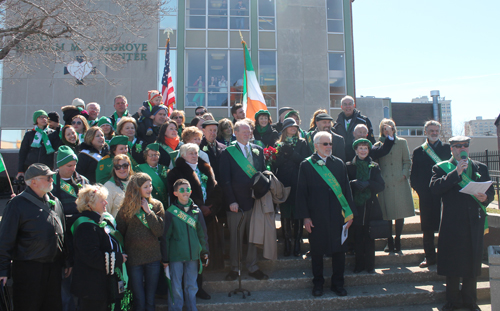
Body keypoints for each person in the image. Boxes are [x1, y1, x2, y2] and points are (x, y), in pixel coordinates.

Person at [430, 136, 494, 311]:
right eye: (458, 146)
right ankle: (453, 301)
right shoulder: (442, 168)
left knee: (472, 262)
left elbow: (491, 191)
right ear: (451, 149)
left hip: (474, 221)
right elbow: (435, 188)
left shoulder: (480, 167)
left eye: (465, 145)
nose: (462, 149)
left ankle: (469, 300)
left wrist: (486, 197)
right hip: (453, 222)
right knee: (453, 263)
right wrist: (455, 173)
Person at [0, 163, 68, 311]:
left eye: (52, 177)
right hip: (29, 270)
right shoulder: (17, 204)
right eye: (48, 178)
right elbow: (5, 240)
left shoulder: (55, 202)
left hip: (53, 267)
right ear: (33, 181)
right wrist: (3, 270)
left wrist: (67, 261)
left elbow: (64, 234)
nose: (52, 180)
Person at [296, 131, 355, 297]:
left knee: (339, 251)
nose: (329, 147)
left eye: (330, 143)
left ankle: (338, 284)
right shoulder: (306, 165)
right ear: (316, 146)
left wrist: (349, 214)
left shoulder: (339, 164)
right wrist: (305, 217)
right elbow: (301, 193)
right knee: (317, 252)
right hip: (317, 215)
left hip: (337, 215)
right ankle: (318, 284)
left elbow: (346, 190)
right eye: (325, 144)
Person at [167, 143, 220, 299]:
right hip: (187, 218)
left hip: (207, 216)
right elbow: (177, 195)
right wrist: (199, 207)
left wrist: (212, 207)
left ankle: (199, 287)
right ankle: (188, 290)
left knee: (200, 252)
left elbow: (216, 189)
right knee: (189, 254)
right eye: (191, 153)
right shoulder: (175, 173)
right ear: (182, 156)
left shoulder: (205, 169)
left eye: (196, 153)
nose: (195, 155)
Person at [219, 121, 268, 281]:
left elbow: (262, 175)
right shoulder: (228, 152)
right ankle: (235, 267)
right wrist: (231, 201)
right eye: (244, 132)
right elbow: (225, 180)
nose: (248, 134)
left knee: (254, 236)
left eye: (250, 131)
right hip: (236, 204)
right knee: (236, 237)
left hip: (255, 201)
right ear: (236, 133)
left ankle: (253, 266)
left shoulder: (258, 150)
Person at [71, 184, 129, 311]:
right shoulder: (85, 226)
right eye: (102, 200)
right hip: (91, 287)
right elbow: (92, 257)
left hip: (100, 285)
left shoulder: (100, 221)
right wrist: (118, 258)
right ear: (90, 204)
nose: (106, 203)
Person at [116, 173, 165, 311]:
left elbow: (159, 231)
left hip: (153, 257)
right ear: (137, 188)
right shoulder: (126, 208)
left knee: (150, 299)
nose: (150, 188)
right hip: (134, 258)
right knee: (139, 298)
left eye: (150, 185)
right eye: (146, 186)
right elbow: (120, 232)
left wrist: (148, 212)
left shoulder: (156, 205)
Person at [161, 179, 209, 311]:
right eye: (182, 190)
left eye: (188, 189)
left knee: (192, 286)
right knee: (176, 286)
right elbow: (166, 237)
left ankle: (191, 308)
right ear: (175, 193)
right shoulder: (170, 212)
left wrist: (204, 252)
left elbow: (202, 234)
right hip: (176, 256)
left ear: (191, 191)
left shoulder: (197, 211)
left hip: (193, 256)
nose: (185, 192)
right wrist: (165, 258)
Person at [52, 146, 90, 311]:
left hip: (81, 235)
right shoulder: (51, 181)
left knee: (82, 281)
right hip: (60, 236)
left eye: (74, 164)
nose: (73, 168)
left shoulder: (83, 181)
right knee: (64, 282)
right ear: (59, 166)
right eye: (69, 165)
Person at [410, 120, 451, 268]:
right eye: (431, 131)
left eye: (436, 131)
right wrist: (421, 191)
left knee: (444, 227)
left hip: (444, 194)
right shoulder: (418, 151)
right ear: (425, 132)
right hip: (426, 195)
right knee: (427, 228)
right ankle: (429, 257)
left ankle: (445, 257)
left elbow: (452, 172)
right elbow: (413, 176)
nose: (434, 133)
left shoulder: (448, 149)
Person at [374, 119, 414, 253]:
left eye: (389, 128)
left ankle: (398, 239)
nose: (387, 130)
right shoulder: (378, 144)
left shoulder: (402, 142)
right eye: (384, 128)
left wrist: (403, 175)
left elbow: (407, 161)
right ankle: (389, 240)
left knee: (399, 213)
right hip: (385, 183)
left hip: (399, 182)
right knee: (387, 213)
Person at [346, 139, 385, 274]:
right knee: (357, 236)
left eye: (365, 148)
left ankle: (370, 265)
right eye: (360, 148)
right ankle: (358, 264)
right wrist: (353, 183)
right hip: (355, 206)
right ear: (356, 150)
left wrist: (368, 183)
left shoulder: (374, 166)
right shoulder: (349, 166)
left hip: (370, 206)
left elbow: (381, 186)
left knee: (369, 236)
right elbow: (344, 186)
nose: (363, 151)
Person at [274, 118, 309, 257]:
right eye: (290, 126)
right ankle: (287, 243)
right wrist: (283, 154)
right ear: (285, 129)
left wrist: (292, 154)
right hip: (284, 182)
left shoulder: (302, 142)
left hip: (298, 182)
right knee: (286, 213)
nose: (293, 128)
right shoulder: (279, 144)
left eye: (295, 126)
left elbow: (305, 161)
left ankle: (297, 244)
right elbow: (275, 164)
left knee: (298, 213)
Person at [17, 110, 61, 179]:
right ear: (36, 120)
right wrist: (20, 170)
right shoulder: (29, 134)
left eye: (45, 117)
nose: (44, 119)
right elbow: (23, 152)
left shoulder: (53, 134)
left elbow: (57, 151)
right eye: (41, 117)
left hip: (47, 168)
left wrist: (55, 168)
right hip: (30, 167)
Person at [333, 95, 376, 161]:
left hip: (359, 160)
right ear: (341, 107)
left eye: (350, 104)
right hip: (342, 160)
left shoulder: (364, 121)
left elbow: (371, 141)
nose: (348, 106)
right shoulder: (336, 124)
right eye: (345, 104)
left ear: (354, 105)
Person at [134, 143, 169, 208]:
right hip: (147, 203)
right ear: (146, 156)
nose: (153, 157)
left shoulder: (165, 169)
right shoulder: (139, 169)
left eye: (155, 155)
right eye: (150, 155)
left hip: (164, 203)